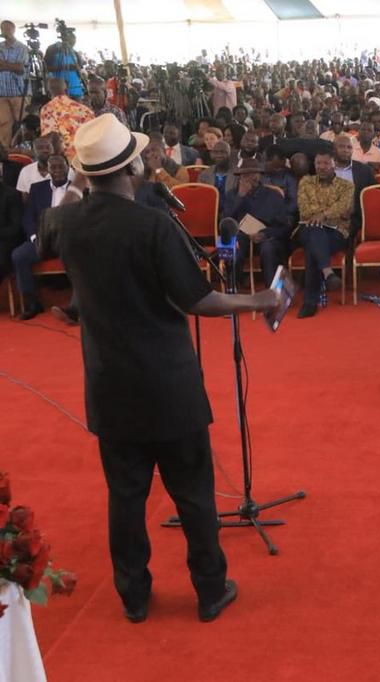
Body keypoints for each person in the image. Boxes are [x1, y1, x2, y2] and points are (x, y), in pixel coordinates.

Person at [40, 114, 280, 623]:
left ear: (85, 172)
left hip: (109, 384)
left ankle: (133, 597)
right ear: (133, 166)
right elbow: (198, 300)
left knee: (125, 498)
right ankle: (210, 590)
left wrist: (83, 175)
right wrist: (259, 299)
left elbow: (56, 219)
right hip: (168, 384)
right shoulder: (152, 224)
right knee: (193, 494)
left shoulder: (68, 221)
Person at [11, 153, 71, 319]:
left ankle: (76, 305)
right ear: (47, 170)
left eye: (61, 167)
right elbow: (28, 217)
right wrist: (33, 237)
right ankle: (32, 303)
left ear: (68, 168)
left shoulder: (78, 189)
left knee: (83, 255)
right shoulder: (37, 189)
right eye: (53, 167)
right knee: (19, 255)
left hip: (68, 240)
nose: (58, 170)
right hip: (42, 239)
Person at [295, 151, 353, 318]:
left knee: (312, 248)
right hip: (306, 228)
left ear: (334, 164)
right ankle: (328, 273)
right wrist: (326, 213)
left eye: (325, 163)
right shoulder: (306, 182)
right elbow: (304, 209)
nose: (321, 167)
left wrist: (323, 215)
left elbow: (343, 207)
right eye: (318, 163)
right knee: (314, 231)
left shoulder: (346, 185)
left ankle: (310, 302)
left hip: (336, 232)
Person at [222, 159, 291, 287]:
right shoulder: (232, 195)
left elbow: (284, 228)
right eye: (244, 175)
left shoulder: (273, 195)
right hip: (241, 236)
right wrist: (240, 197)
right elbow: (225, 222)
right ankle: (234, 286)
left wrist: (265, 234)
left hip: (267, 237)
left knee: (268, 248)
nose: (248, 178)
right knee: (232, 246)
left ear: (259, 176)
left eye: (252, 174)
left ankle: (271, 290)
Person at [39, 76, 94, 160]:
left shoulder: (46, 109)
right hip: (86, 156)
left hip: (63, 160)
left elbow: (49, 138)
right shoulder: (86, 110)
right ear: (66, 90)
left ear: (49, 92)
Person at [0, 20, 29, 149]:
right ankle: (6, 151)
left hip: (19, 93)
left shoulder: (21, 47)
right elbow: (15, 66)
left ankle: (24, 149)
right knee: (4, 124)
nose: (4, 31)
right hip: (2, 93)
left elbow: (20, 68)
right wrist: (11, 65)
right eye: (2, 29)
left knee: (24, 123)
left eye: (7, 28)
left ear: (13, 30)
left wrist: (3, 65)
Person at [43, 29, 84, 99]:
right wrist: (63, 67)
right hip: (59, 90)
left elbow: (80, 70)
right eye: (72, 40)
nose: (73, 43)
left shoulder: (75, 53)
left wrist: (77, 69)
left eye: (74, 40)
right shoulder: (53, 49)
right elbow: (46, 68)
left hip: (75, 89)